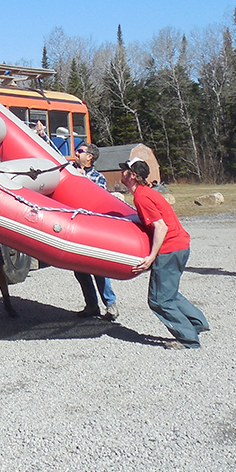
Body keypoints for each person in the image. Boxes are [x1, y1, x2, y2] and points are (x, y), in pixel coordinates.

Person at [122, 157, 209, 349]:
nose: (122, 173)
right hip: (180, 245)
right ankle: (197, 323)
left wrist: (151, 257)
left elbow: (160, 227)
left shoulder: (141, 197)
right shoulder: (146, 193)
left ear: (133, 176)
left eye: (125, 170)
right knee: (169, 293)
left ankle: (188, 339)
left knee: (158, 300)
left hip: (170, 248)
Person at [69, 143, 119, 320]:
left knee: (99, 268)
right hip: (75, 228)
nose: (76, 153)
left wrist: (83, 181)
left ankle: (110, 304)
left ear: (89, 156)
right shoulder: (70, 171)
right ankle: (91, 305)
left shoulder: (98, 178)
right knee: (79, 270)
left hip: (92, 229)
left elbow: (98, 200)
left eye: (80, 151)